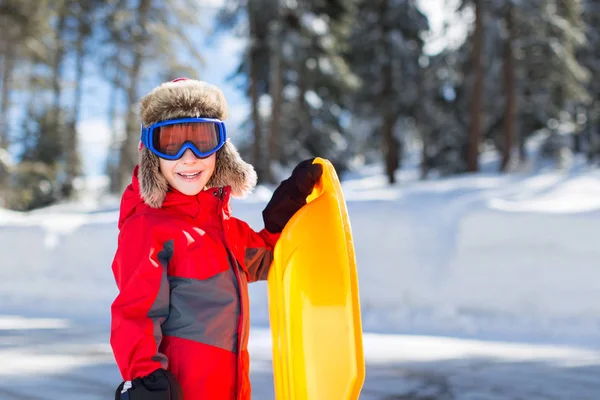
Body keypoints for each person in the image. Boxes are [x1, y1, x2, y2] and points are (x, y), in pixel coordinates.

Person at [110, 77, 322, 400]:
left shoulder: (221, 226)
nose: (189, 157)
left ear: (222, 151)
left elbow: (267, 257)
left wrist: (287, 206)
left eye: (202, 140)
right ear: (151, 154)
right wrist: (145, 378)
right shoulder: (147, 227)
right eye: (171, 143)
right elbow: (135, 313)